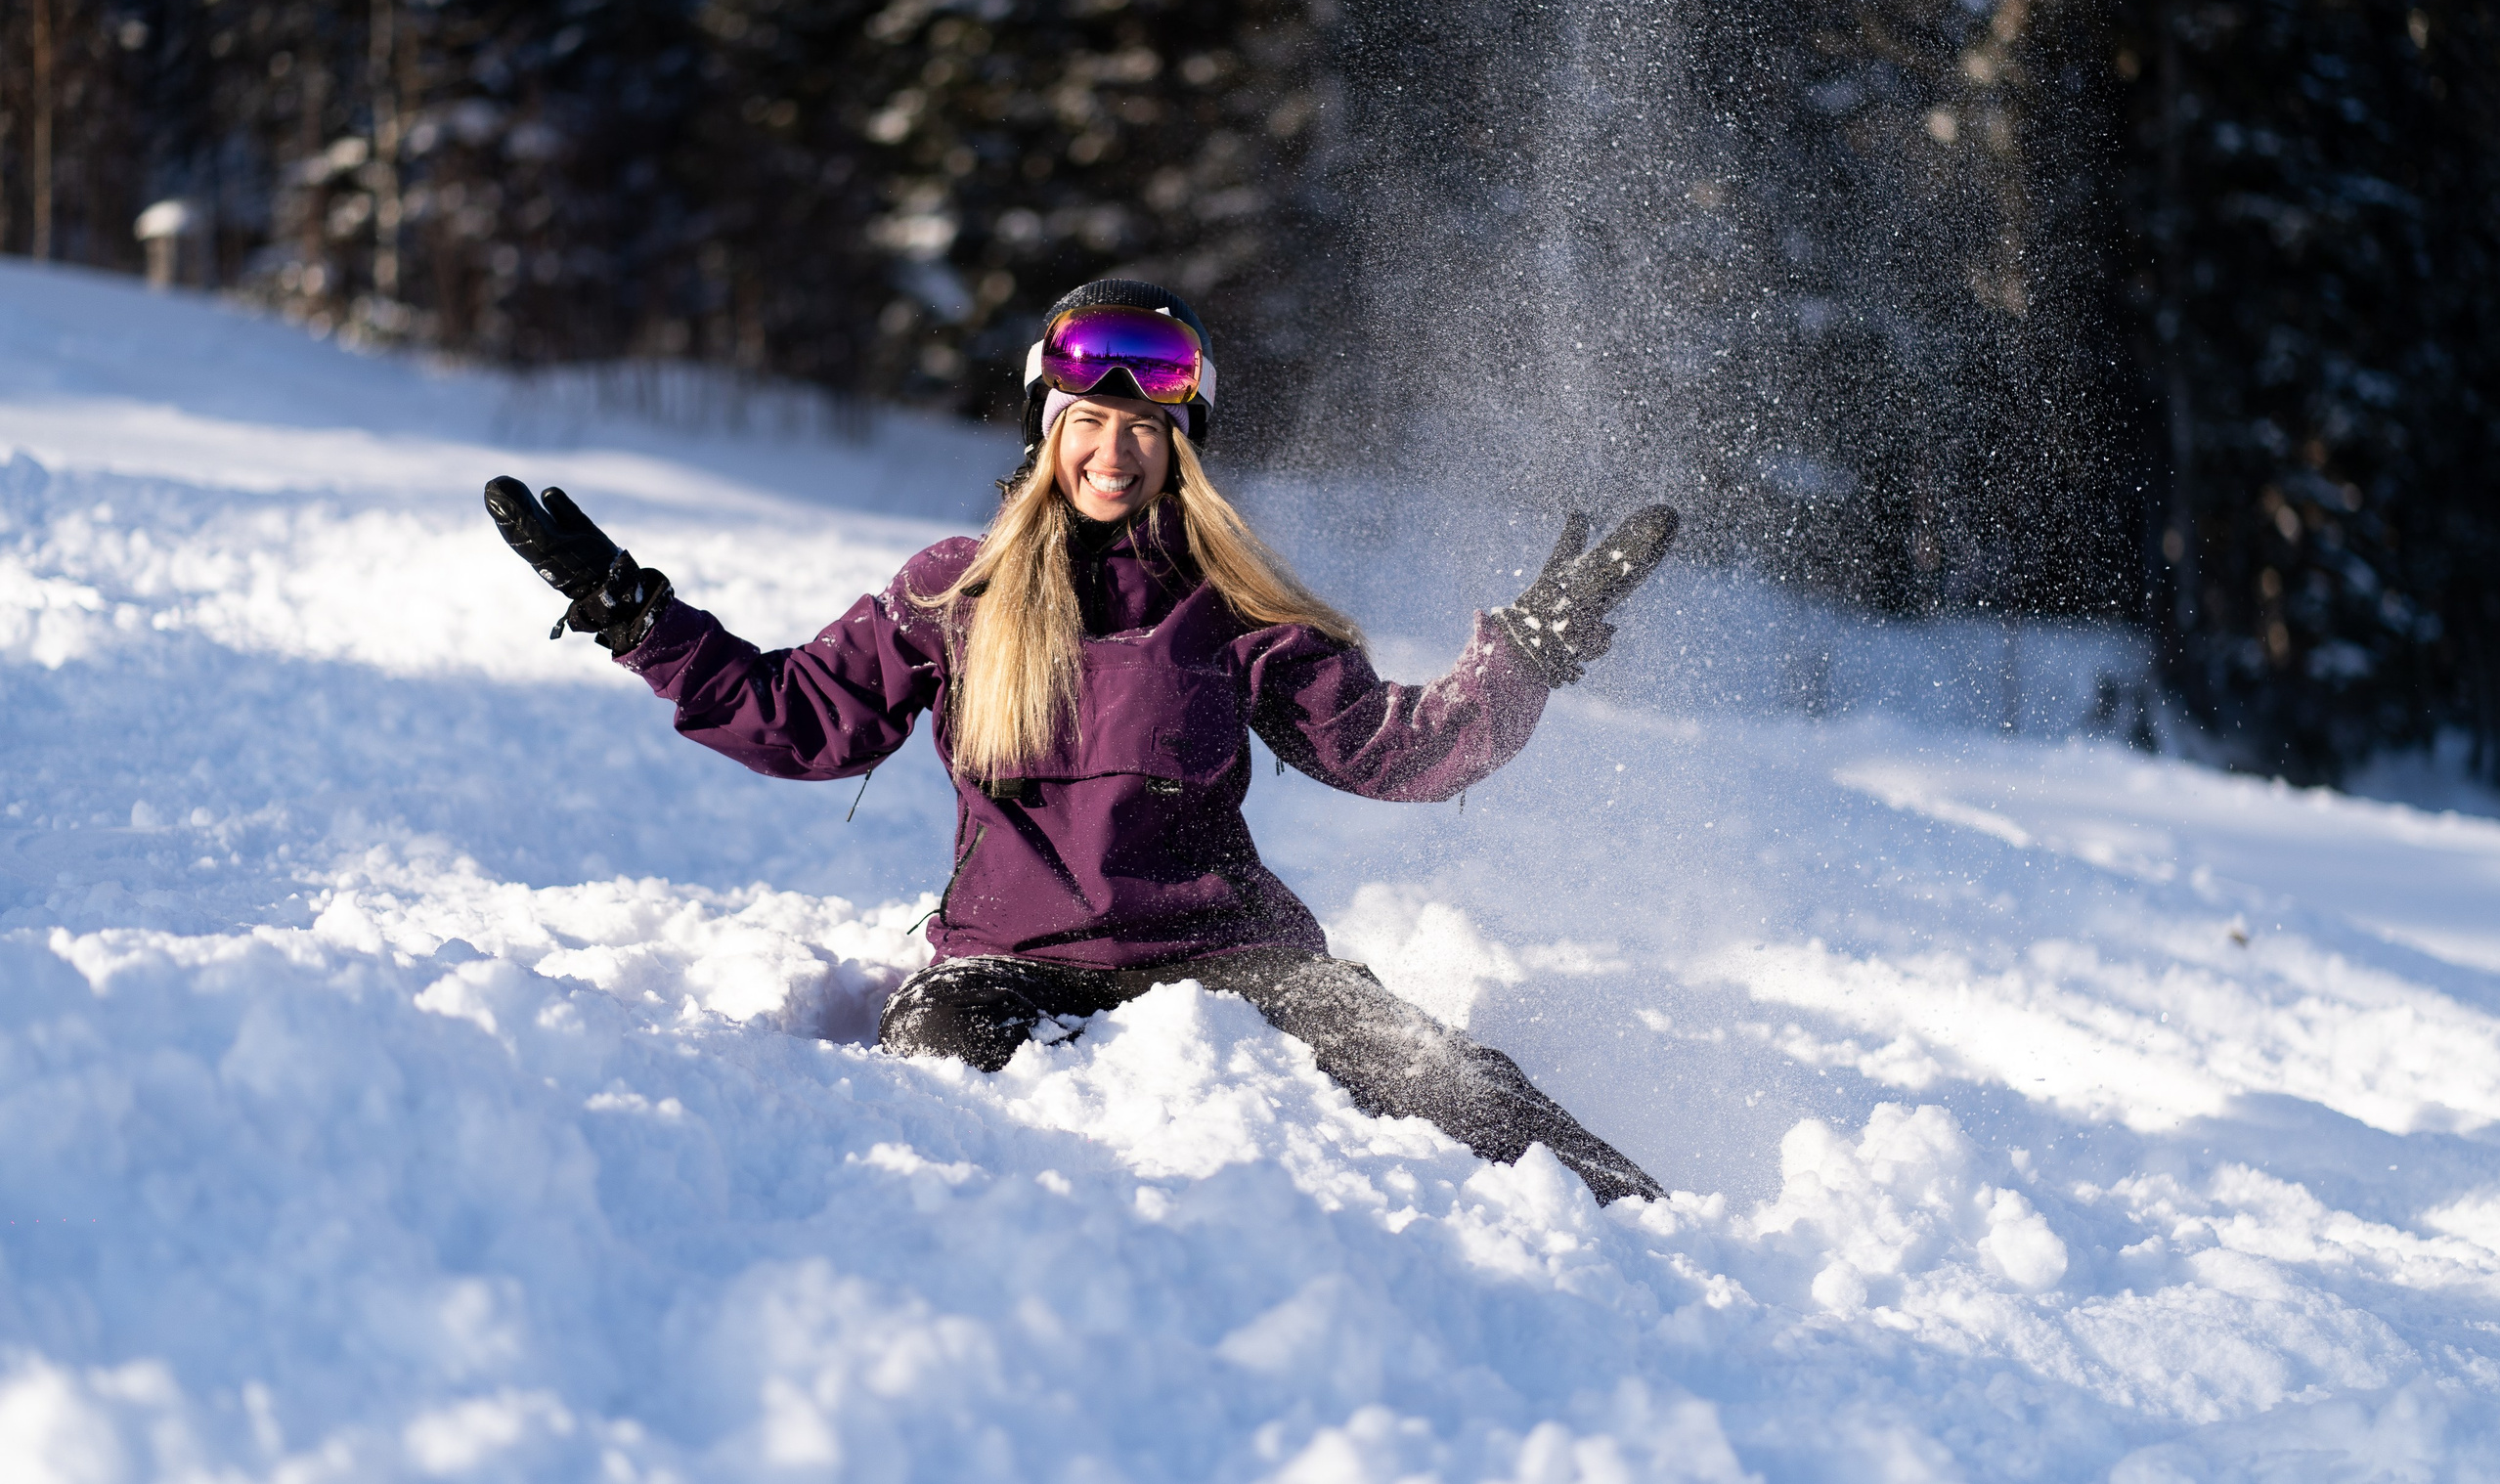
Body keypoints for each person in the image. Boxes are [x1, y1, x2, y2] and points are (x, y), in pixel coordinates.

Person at [484, 280, 1679, 1203]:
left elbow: (1391, 750)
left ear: (1183, 445)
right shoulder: (954, 592)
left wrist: (1525, 653)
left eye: (1148, 427)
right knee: (938, 1079)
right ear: (1048, 430)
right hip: (1009, 960)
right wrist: (634, 618)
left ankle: (1658, 1229)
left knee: (1443, 1080)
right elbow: (799, 719)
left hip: (1228, 953)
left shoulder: (1232, 603)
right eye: (1090, 421)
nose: (1115, 450)